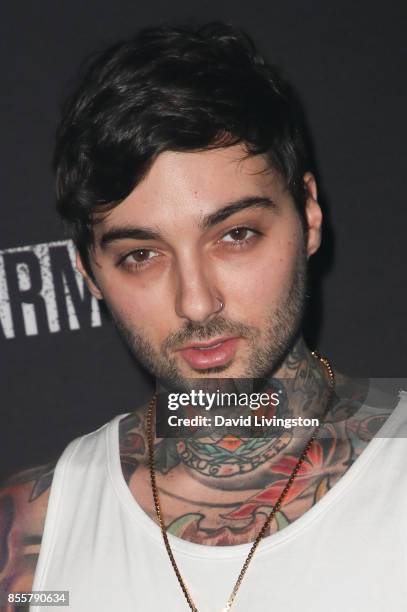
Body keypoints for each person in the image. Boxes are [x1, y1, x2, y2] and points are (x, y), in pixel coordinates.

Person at [0, 22, 405, 612]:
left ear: (310, 216)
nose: (196, 301)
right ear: (89, 273)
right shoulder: (32, 543)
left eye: (236, 235)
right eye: (142, 255)